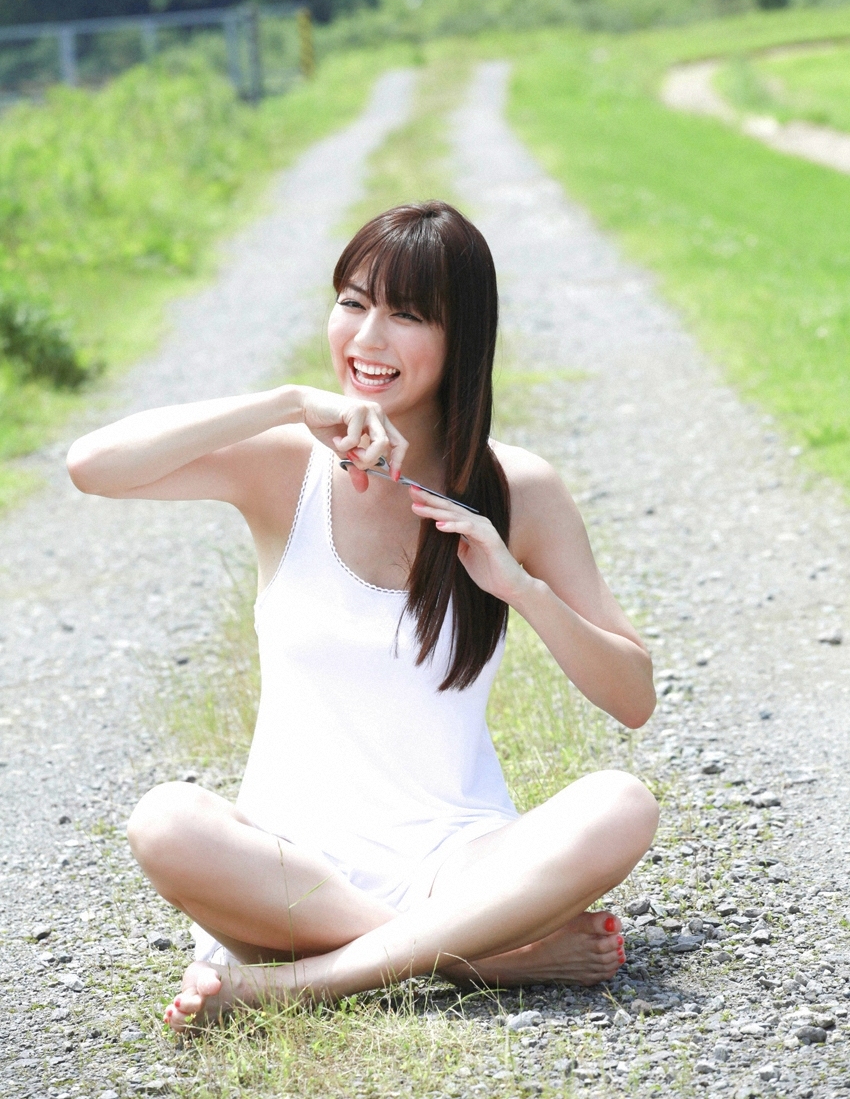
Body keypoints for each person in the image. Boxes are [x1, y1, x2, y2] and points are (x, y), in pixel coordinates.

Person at [67, 201, 658, 1030]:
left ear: (462, 337)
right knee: (164, 822)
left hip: (458, 864)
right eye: (353, 302)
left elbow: (633, 696)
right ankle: (481, 959)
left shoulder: (519, 489)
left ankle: (295, 984)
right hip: (290, 874)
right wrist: (285, 402)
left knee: (622, 803)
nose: (368, 338)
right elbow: (91, 465)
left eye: (407, 315)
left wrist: (522, 587)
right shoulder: (286, 467)